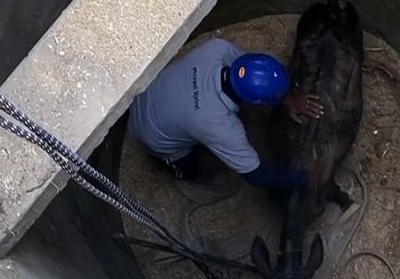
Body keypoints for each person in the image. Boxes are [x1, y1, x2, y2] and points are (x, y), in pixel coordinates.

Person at [127, 39, 323, 194]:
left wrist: (287, 99)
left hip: (148, 93)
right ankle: (182, 171)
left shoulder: (217, 49)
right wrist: (305, 178)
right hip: (148, 132)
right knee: (190, 169)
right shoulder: (219, 125)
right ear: (255, 104)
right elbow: (256, 176)